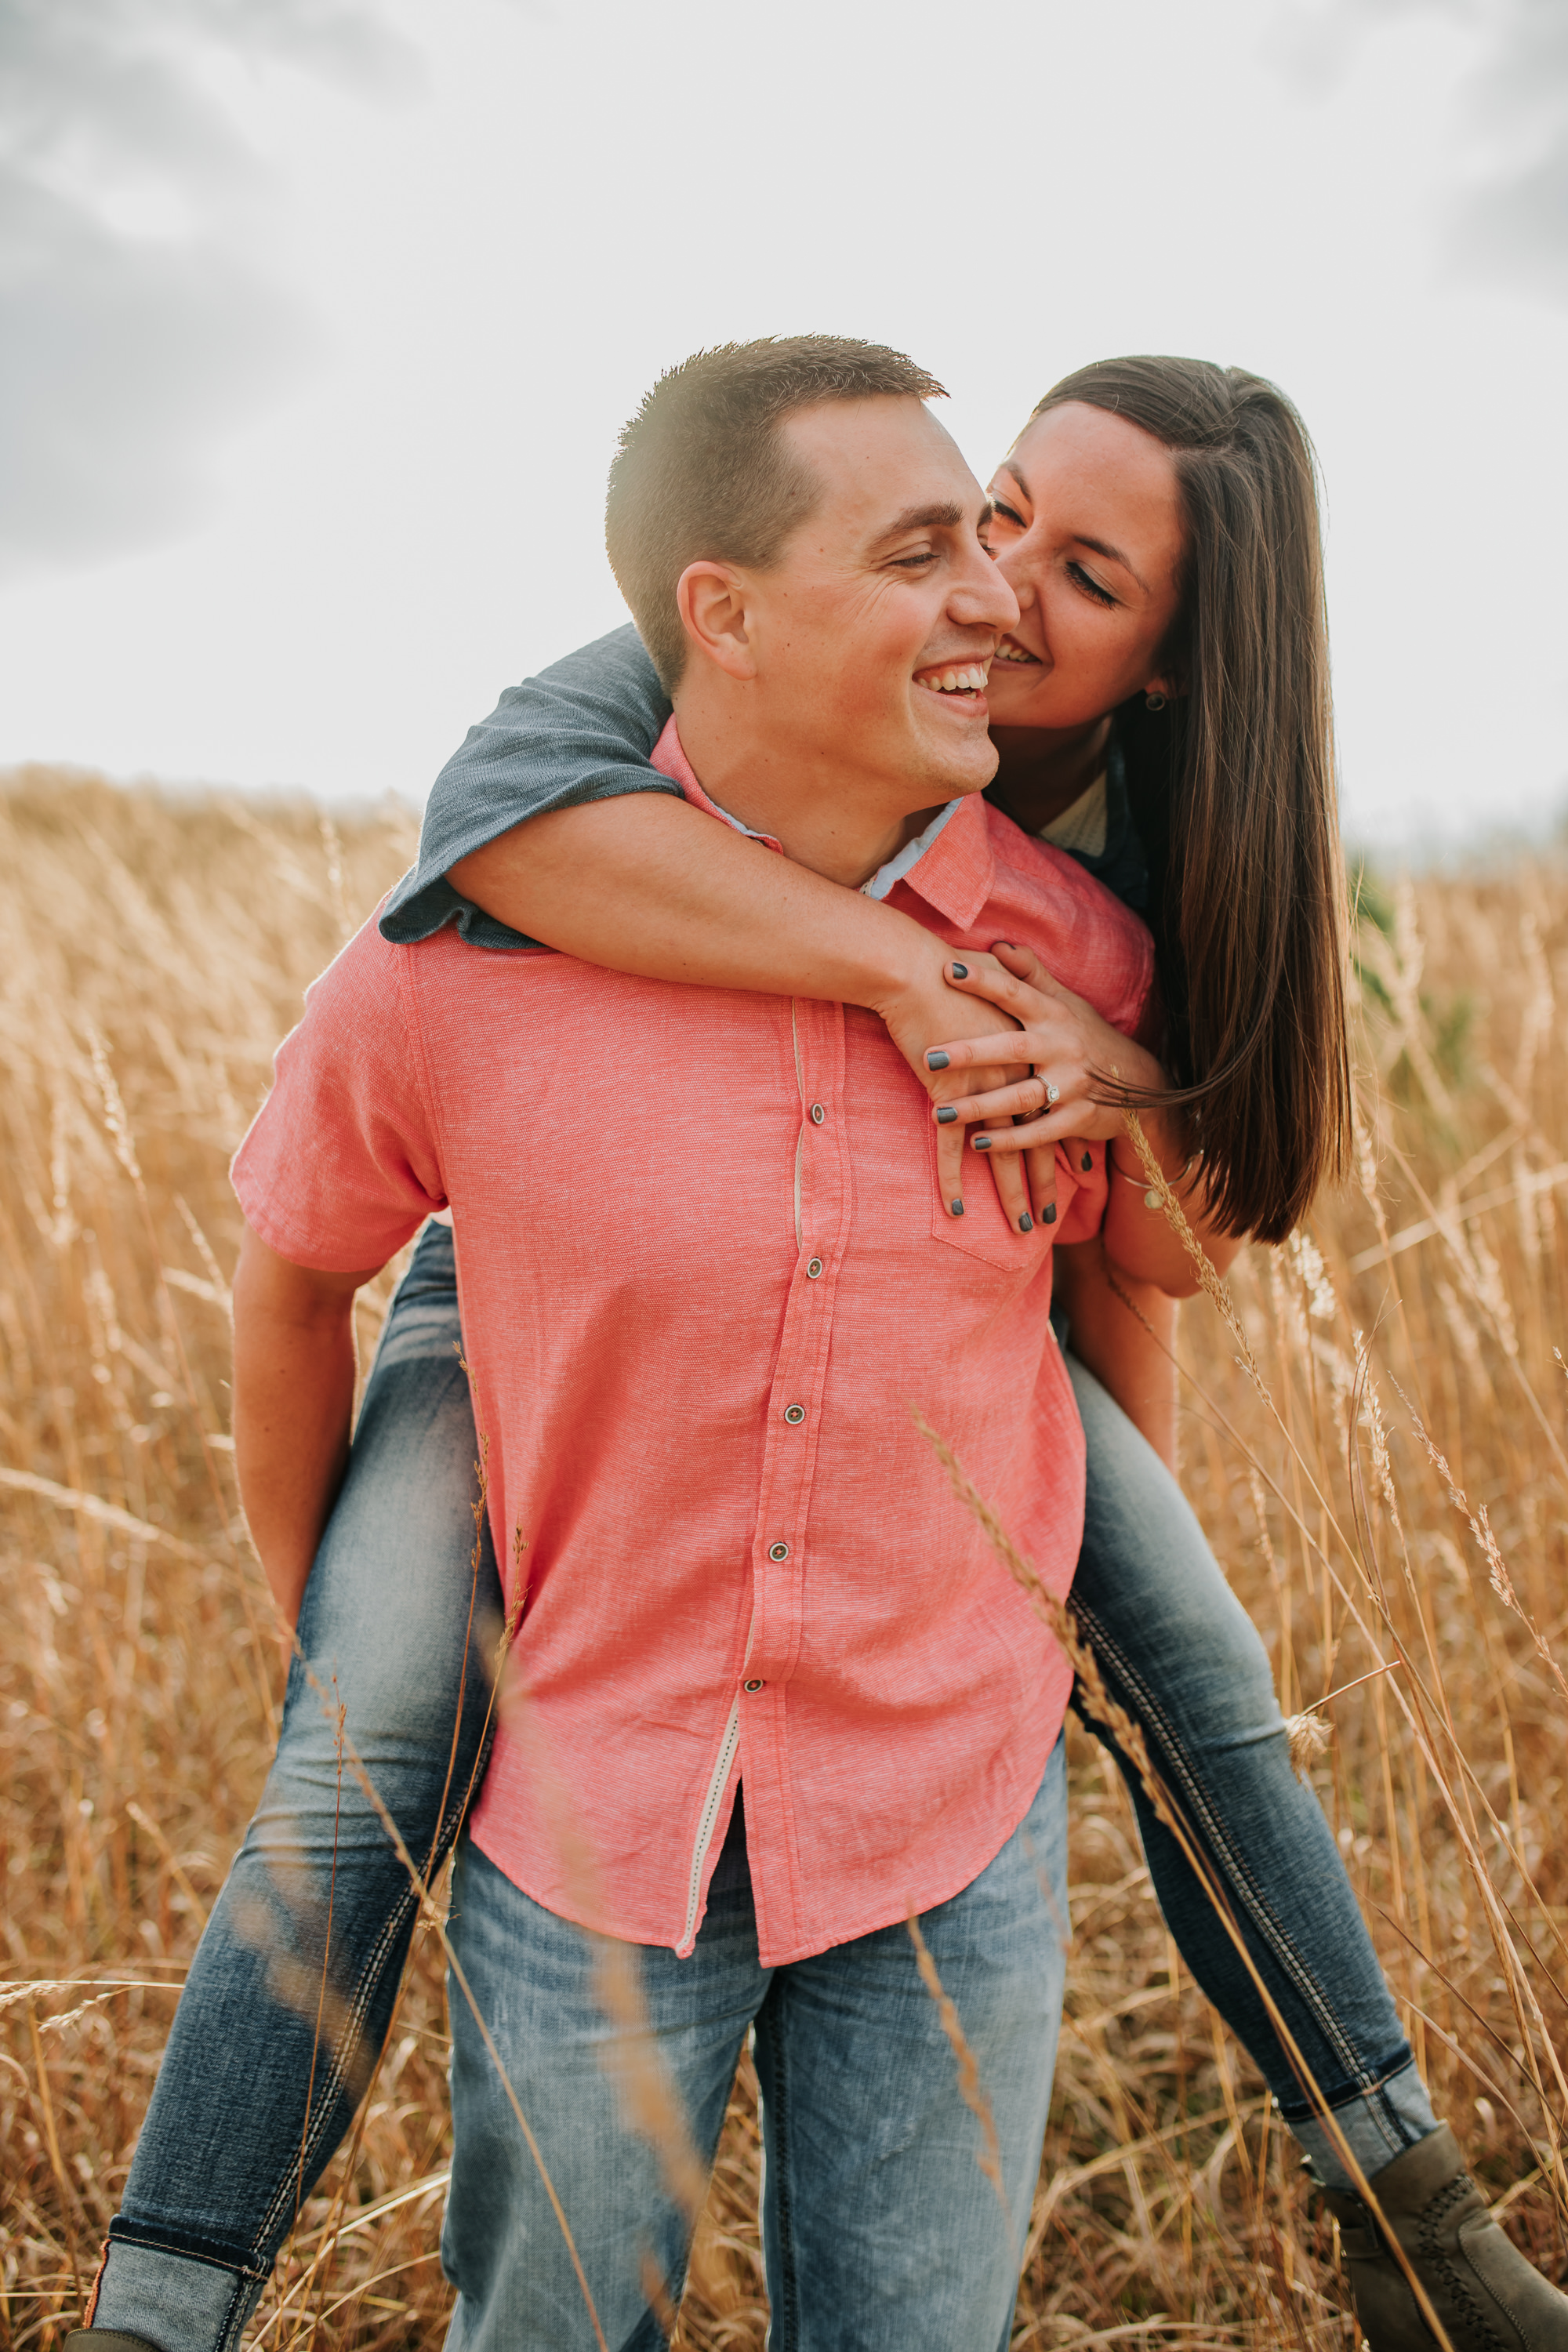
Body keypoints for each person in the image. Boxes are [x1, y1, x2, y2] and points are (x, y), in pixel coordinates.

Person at [76, 350, 1568, 2352]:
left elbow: (1157, 1266)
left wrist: (1117, 1112)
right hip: (527, 1405)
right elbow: (420, 1008)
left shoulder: (1106, 909)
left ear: (1165, 675)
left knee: (1195, 1657)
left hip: (939, 1683)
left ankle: (1395, 2184)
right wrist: (899, 966)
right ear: (724, 612)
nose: (1003, 586)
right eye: (980, 519)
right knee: (357, 1754)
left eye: (1072, 569)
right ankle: (161, 2307)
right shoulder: (569, 788)